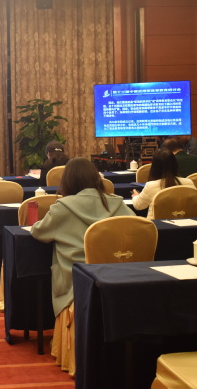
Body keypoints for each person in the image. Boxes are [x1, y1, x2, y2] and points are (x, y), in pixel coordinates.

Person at [30, 157, 134, 374]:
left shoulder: (63, 207)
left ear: (67, 181)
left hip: (75, 278)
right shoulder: (116, 203)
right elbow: (137, 227)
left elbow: (39, 232)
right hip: (114, 274)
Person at [131, 149, 196, 220]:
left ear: (154, 166)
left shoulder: (151, 186)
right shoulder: (189, 183)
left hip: (157, 224)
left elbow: (138, 206)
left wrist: (135, 196)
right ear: (175, 164)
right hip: (186, 223)